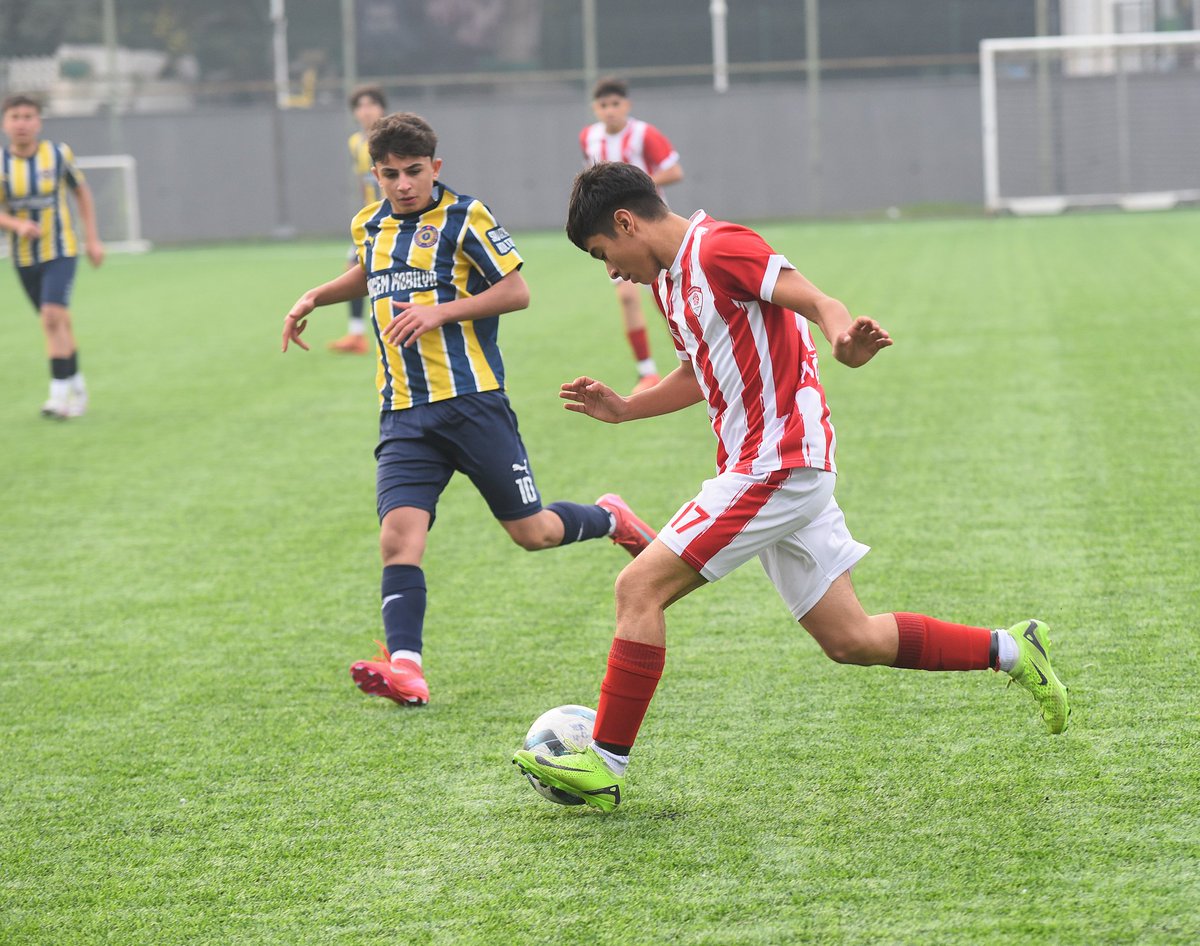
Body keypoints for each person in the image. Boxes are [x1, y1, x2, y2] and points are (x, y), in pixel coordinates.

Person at [513, 162, 1070, 811]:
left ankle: (604, 761)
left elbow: (816, 301)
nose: (612, 272)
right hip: (768, 467)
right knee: (851, 638)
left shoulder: (720, 248)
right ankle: (1013, 649)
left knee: (638, 587)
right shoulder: (669, 283)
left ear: (626, 222)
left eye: (604, 254)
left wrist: (843, 340)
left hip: (776, 463)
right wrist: (629, 407)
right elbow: (699, 370)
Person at [282, 115, 657, 707]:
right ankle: (407, 669)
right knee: (398, 539)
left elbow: (516, 291)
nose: (404, 184)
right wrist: (315, 296)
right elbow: (371, 271)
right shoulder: (369, 223)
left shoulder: (466, 217)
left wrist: (440, 311)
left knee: (532, 533)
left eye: (414, 171)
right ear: (375, 174)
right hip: (403, 414)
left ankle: (611, 518)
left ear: (435, 167)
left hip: (473, 404)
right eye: (390, 174)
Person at [0, 94, 104, 418]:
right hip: (23, 257)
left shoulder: (58, 155)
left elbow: (81, 192)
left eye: (28, 116)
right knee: (58, 323)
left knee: (50, 317)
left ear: (39, 122)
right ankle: (78, 389)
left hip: (61, 249)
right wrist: (16, 224)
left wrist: (92, 239)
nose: (22, 123)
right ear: (5, 124)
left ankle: (58, 398)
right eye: (15, 116)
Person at [580, 76, 683, 395]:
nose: (610, 110)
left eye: (615, 104)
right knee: (627, 296)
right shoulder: (589, 137)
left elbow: (674, 171)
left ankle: (694, 357)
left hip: (649, 229)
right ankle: (647, 371)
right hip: (614, 232)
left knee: (665, 298)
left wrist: (633, 187)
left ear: (626, 105)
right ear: (595, 108)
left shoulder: (644, 134)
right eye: (603, 105)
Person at [328, 85, 388, 355]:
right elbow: (365, 182)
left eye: (371, 104)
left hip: (389, 217)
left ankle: (367, 333)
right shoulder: (355, 142)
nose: (366, 111)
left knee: (368, 271)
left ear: (381, 108)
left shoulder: (390, 138)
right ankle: (357, 334)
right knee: (355, 270)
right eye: (360, 106)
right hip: (371, 219)